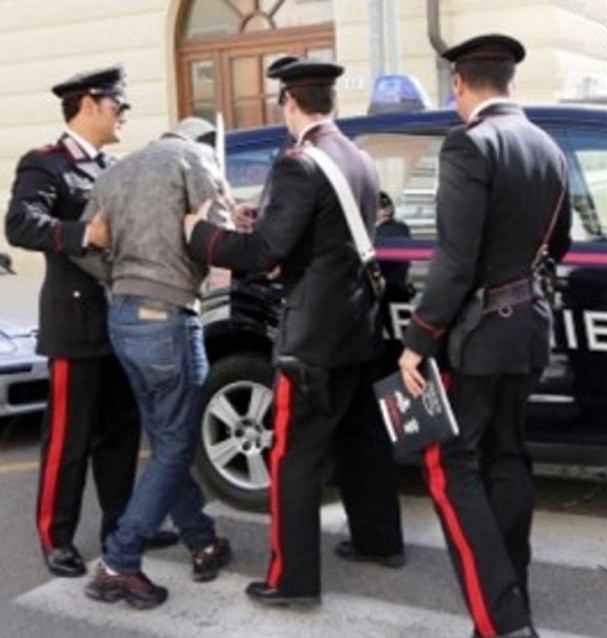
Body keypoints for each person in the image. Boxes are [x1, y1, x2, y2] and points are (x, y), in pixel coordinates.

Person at [183, 56, 404, 606]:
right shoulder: (358, 157)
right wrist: (267, 221)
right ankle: (379, 540)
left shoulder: (297, 164)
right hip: (358, 321)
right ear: (331, 99)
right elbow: (327, 233)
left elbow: (264, 253)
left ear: (288, 101)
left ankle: (293, 581)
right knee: (363, 438)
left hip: (312, 334)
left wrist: (201, 235)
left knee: (294, 456)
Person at [398, 34, 571, 638]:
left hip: (478, 333)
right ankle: (512, 598)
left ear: (459, 84)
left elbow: (454, 260)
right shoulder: (548, 146)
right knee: (508, 456)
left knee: (449, 463)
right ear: (509, 82)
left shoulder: (468, 143)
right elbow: (560, 243)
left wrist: (418, 340)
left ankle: (501, 621)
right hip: (529, 327)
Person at [4, 65, 177, 580]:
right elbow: (20, 224)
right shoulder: (46, 163)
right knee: (69, 440)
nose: (124, 113)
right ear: (89, 104)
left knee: (121, 435)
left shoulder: (113, 168)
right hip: (75, 324)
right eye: (118, 105)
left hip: (122, 321)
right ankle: (56, 537)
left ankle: (120, 529)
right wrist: (83, 234)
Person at [80, 117, 232, 610]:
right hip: (169, 315)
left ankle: (202, 541)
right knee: (176, 444)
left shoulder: (115, 171)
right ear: (206, 142)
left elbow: (85, 244)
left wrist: (120, 276)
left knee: (169, 439)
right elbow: (219, 236)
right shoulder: (197, 159)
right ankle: (119, 562)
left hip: (123, 315)